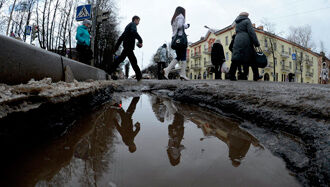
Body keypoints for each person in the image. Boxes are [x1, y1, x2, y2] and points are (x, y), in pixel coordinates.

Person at [229, 12, 262, 81]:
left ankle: (231, 75)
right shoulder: (247, 21)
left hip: (237, 40)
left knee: (236, 58)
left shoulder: (237, 23)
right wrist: (256, 43)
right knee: (253, 58)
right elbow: (251, 32)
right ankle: (256, 76)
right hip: (246, 40)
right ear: (246, 16)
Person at [111, 16, 143, 81]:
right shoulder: (133, 24)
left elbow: (121, 38)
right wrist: (140, 40)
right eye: (138, 21)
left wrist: (116, 48)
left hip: (126, 46)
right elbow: (134, 32)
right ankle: (139, 76)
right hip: (128, 46)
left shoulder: (127, 27)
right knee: (133, 61)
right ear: (135, 19)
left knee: (120, 59)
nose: (138, 22)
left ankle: (109, 70)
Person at [163, 6, 190, 80]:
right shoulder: (181, 16)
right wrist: (186, 26)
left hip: (175, 39)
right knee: (183, 56)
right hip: (180, 39)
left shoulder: (174, 18)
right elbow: (180, 26)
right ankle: (183, 74)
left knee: (178, 56)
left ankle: (167, 70)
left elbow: (175, 28)